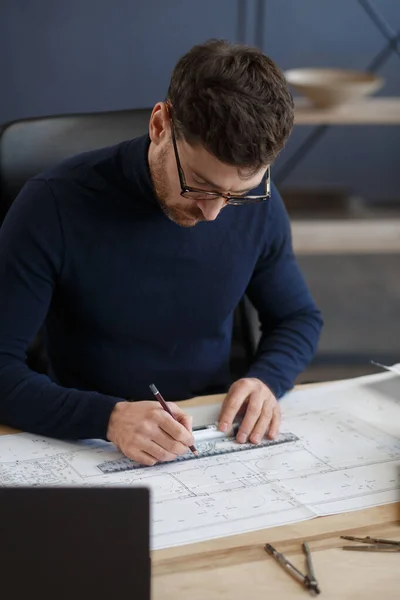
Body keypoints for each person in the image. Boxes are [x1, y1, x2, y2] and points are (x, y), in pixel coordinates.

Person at [0, 39, 322, 466]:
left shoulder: (259, 202)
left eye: (237, 194)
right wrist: (109, 419)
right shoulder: (51, 205)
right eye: (200, 185)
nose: (213, 213)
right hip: (89, 442)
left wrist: (267, 378)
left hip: (212, 433)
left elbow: (298, 317)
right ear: (160, 125)